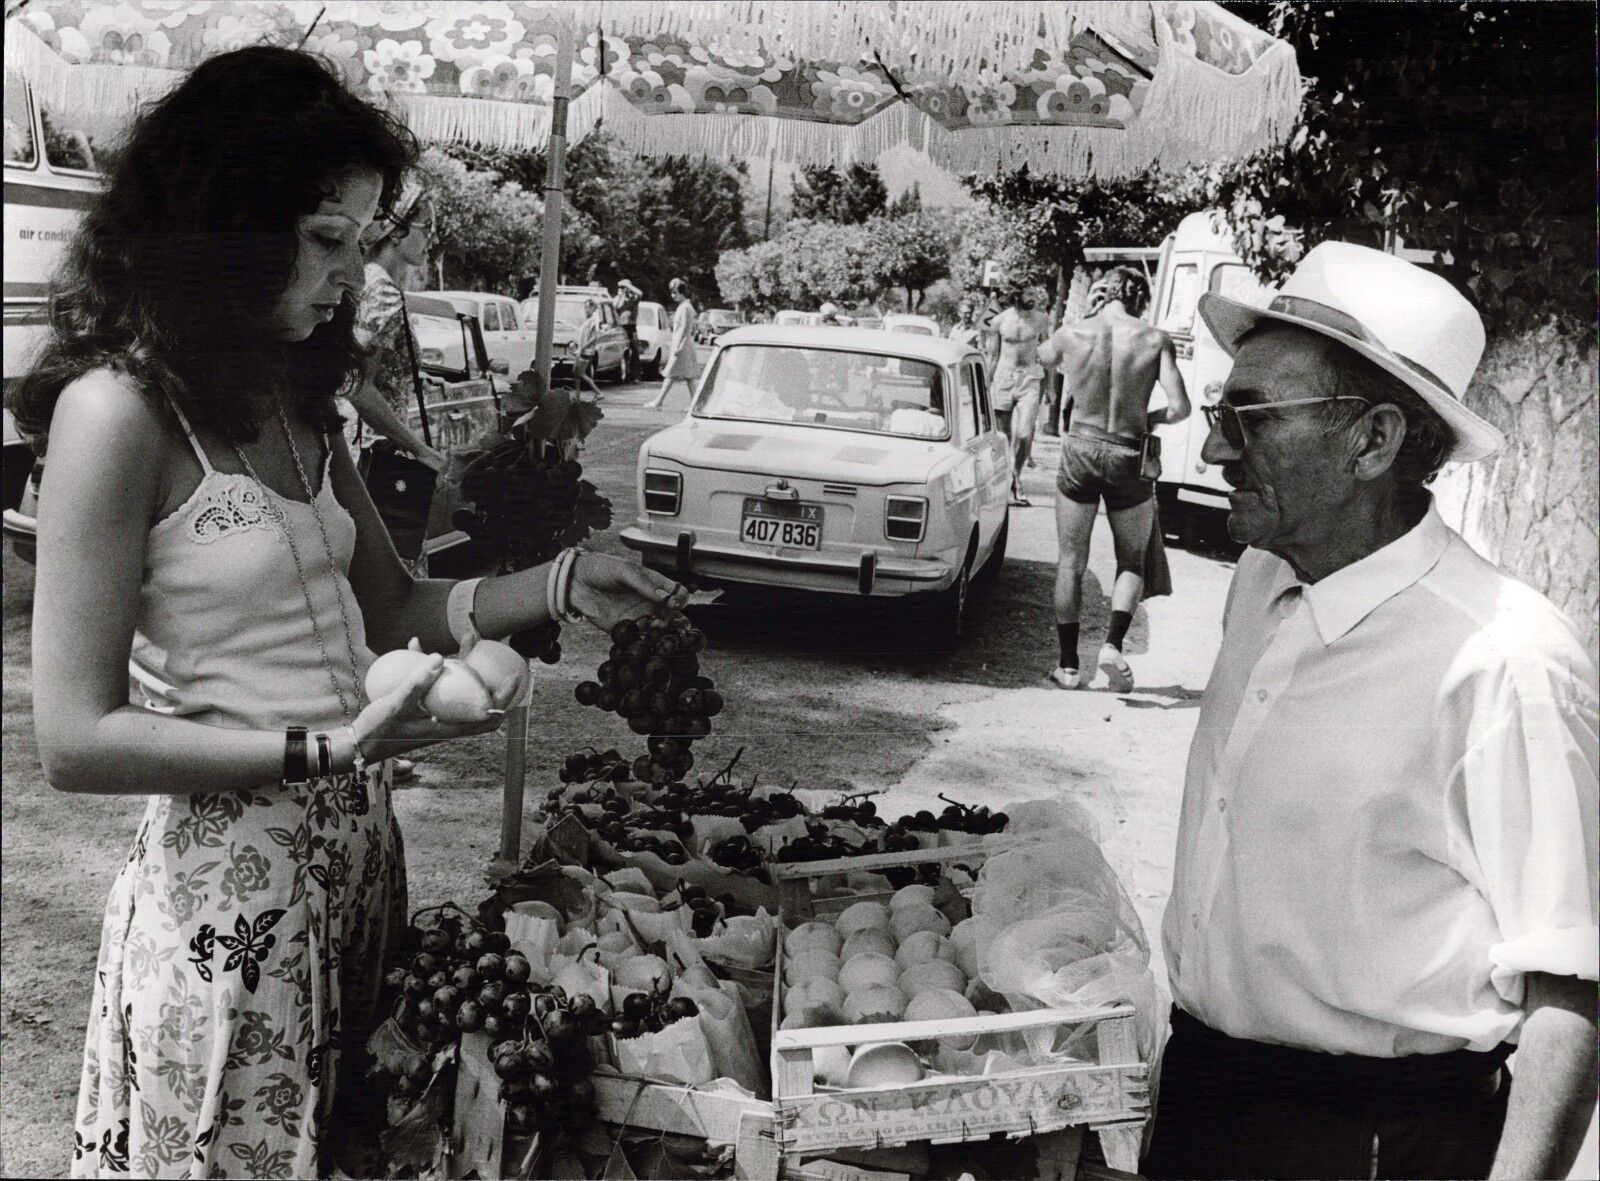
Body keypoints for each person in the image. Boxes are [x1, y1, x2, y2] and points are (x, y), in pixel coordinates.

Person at [9, 47, 685, 1180]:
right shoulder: (114, 415)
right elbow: (72, 740)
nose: (350, 276)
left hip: (361, 859)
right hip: (229, 899)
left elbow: (398, 605)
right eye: (326, 239)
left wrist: (565, 580)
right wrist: (323, 748)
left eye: (362, 241)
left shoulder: (295, 401)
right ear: (221, 222)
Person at [1143, 242, 1598, 1181]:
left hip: (1375, 1145)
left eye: (1251, 418)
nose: (1217, 448)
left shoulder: (1505, 659)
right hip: (1203, 1098)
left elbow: (1571, 993)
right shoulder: (1265, 579)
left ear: (1374, 441)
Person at [1038, 267, 1189, 691]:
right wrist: (1146, 418)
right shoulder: (1155, 339)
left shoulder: (1072, 334)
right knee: (1131, 561)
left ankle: (1068, 667)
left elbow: (1041, 357)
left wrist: (1084, 319)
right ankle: (1112, 646)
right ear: (1141, 297)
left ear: (1103, 293)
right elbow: (1180, 408)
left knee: (1071, 562)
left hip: (1081, 448)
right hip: (1128, 453)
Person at [990, 285, 1052, 505]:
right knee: (1003, 437)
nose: (1034, 298)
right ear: (1017, 296)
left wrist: (1051, 386)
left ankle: (1017, 475)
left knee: (1025, 434)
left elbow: (1047, 354)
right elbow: (993, 356)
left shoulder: (1042, 319)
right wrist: (987, 385)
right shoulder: (998, 321)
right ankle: (1008, 481)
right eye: (1029, 294)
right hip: (1003, 378)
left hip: (1030, 378)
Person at [645, 277, 700, 410]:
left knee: (672, 374)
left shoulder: (685, 307)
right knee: (688, 376)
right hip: (683, 345)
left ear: (682, 292)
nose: (672, 295)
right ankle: (696, 404)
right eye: (672, 292)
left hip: (682, 346)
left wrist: (679, 346)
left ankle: (659, 401)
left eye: (675, 292)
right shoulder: (684, 306)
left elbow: (685, 327)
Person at [572, 297, 605, 397]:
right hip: (580, 350)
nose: (587, 309)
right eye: (585, 307)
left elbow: (594, 338)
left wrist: (583, 348)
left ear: (594, 309)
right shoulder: (586, 320)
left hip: (586, 351)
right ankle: (577, 394)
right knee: (575, 371)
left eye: (589, 307)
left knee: (581, 372)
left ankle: (598, 392)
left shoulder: (593, 321)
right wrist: (576, 343)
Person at [612, 278, 641, 369]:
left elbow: (640, 293)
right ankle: (621, 370)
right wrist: (621, 295)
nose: (624, 289)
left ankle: (634, 374)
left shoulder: (634, 298)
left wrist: (627, 285)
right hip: (621, 327)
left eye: (625, 287)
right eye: (622, 287)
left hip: (631, 327)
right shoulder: (619, 298)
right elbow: (616, 306)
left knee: (635, 350)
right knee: (622, 350)